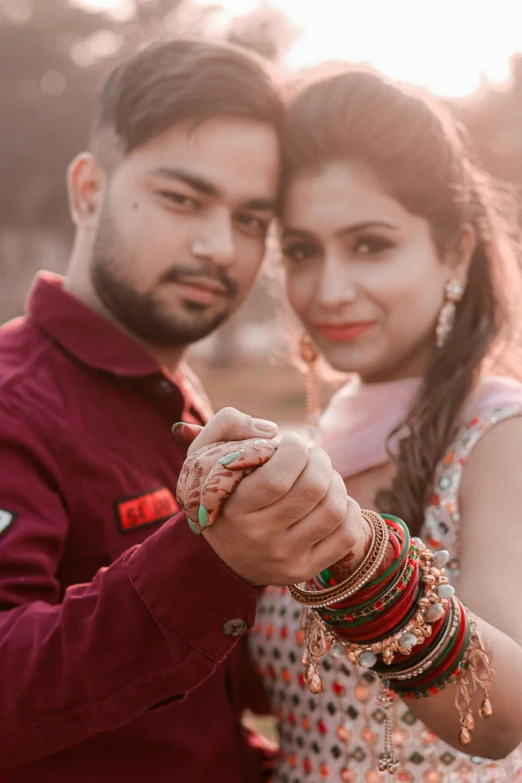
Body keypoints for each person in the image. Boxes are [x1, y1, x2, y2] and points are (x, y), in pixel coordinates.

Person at [0, 41, 362, 782]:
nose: (217, 247)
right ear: (89, 190)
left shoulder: (181, 398)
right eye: (182, 199)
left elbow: (188, 712)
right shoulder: (15, 404)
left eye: (251, 218)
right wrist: (214, 560)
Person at [179, 67, 522, 782]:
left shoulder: (498, 433)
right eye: (303, 251)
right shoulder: (317, 443)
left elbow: (498, 715)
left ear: (455, 249)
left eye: (370, 244)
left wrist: (355, 550)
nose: (329, 291)